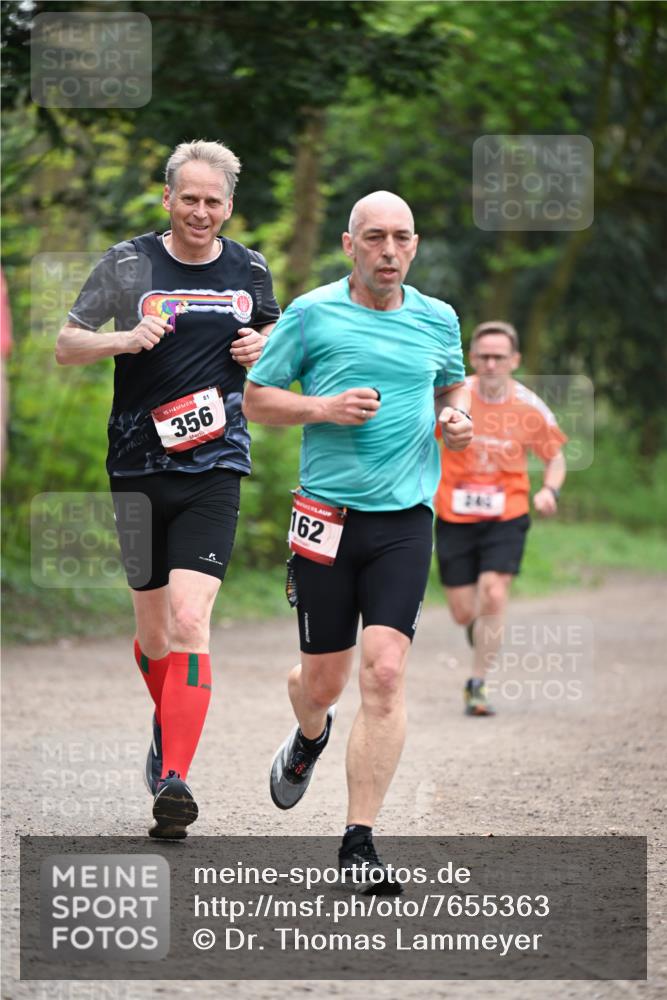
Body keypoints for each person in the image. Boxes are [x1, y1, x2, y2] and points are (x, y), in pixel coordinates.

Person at [243, 191, 472, 893]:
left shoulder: (438, 318)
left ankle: (358, 840)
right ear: (349, 244)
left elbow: (451, 387)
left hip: (404, 520)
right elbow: (255, 397)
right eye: (374, 238)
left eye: (401, 238)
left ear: (415, 243)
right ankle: (310, 733)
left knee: (384, 673)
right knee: (322, 681)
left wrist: (455, 421)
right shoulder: (312, 313)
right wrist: (322, 408)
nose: (388, 251)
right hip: (325, 516)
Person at [56, 140, 280, 838]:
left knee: (189, 621)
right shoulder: (127, 263)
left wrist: (262, 347)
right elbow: (67, 343)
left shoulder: (249, 267)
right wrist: (125, 340)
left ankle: (174, 779)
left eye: (214, 201)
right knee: (154, 635)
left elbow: (278, 336)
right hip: (135, 467)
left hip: (216, 465)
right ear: (167, 199)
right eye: (190, 198)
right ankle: (167, 725)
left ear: (229, 207)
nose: (201, 212)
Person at [434, 320, 567, 716]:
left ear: (515, 360)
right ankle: (484, 635)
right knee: (462, 611)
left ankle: (477, 683)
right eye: (484, 356)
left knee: (494, 591)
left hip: (507, 512)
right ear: (472, 358)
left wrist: (550, 490)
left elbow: (555, 457)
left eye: (499, 357)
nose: (491, 364)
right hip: (454, 514)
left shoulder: (529, 406)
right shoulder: (456, 398)